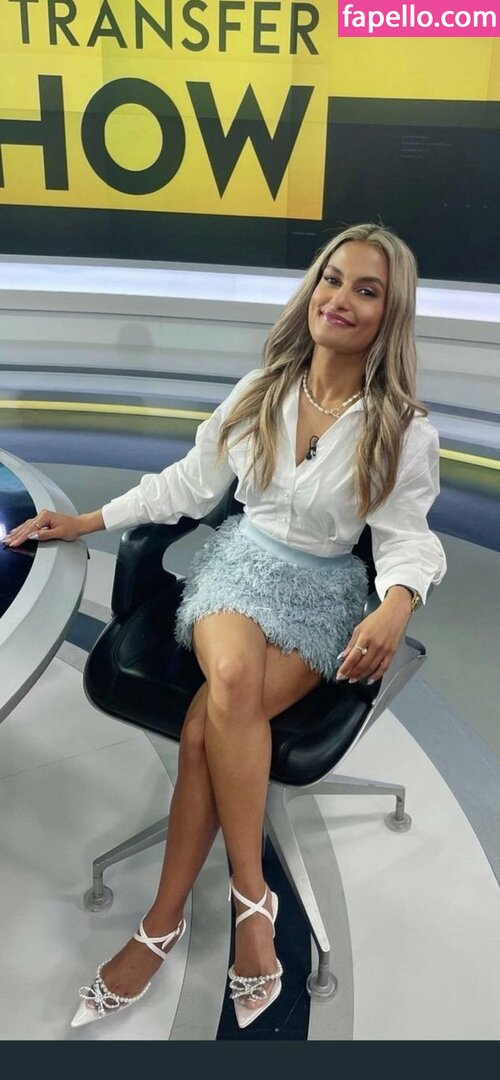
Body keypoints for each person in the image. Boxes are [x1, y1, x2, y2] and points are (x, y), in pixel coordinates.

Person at [3, 223, 447, 1030]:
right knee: (234, 678)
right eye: (332, 279)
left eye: (366, 290)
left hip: (327, 590)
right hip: (242, 567)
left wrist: (397, 601)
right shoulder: (259, 391)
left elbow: (407, 537)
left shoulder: (403, 427)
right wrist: (89, 520)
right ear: (313, 289)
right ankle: (251, 899)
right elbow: (186, 483)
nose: (340, 299)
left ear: (390, 314)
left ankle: (162, 922)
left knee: (208, 723)